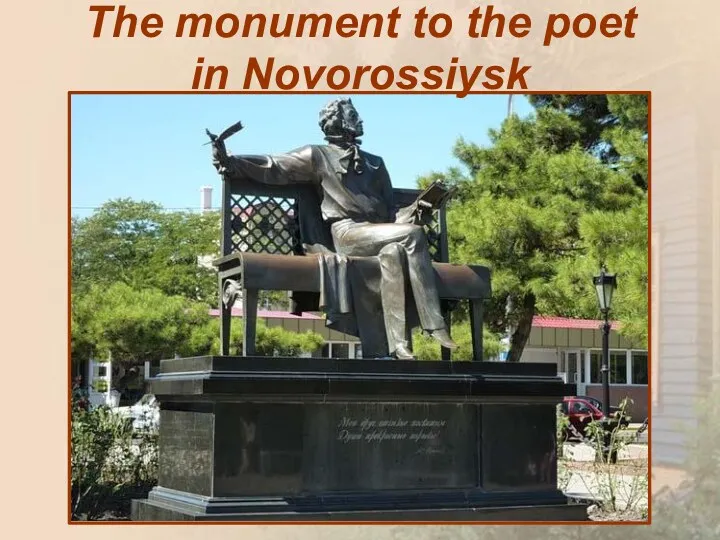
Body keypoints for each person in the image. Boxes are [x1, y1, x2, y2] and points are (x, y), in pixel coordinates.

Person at [211, 98, 456, 359]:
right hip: (347, 234)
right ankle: (434, 323)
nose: (360, 120)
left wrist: (418, 209)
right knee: (413, 235)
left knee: (395, 252)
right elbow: (275, 166)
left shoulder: (376, 162)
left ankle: (398, 345)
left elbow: (391, 212)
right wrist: (230, 161)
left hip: (379, 233)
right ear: (338, 122)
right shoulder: (317, 155)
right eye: (354, 115)